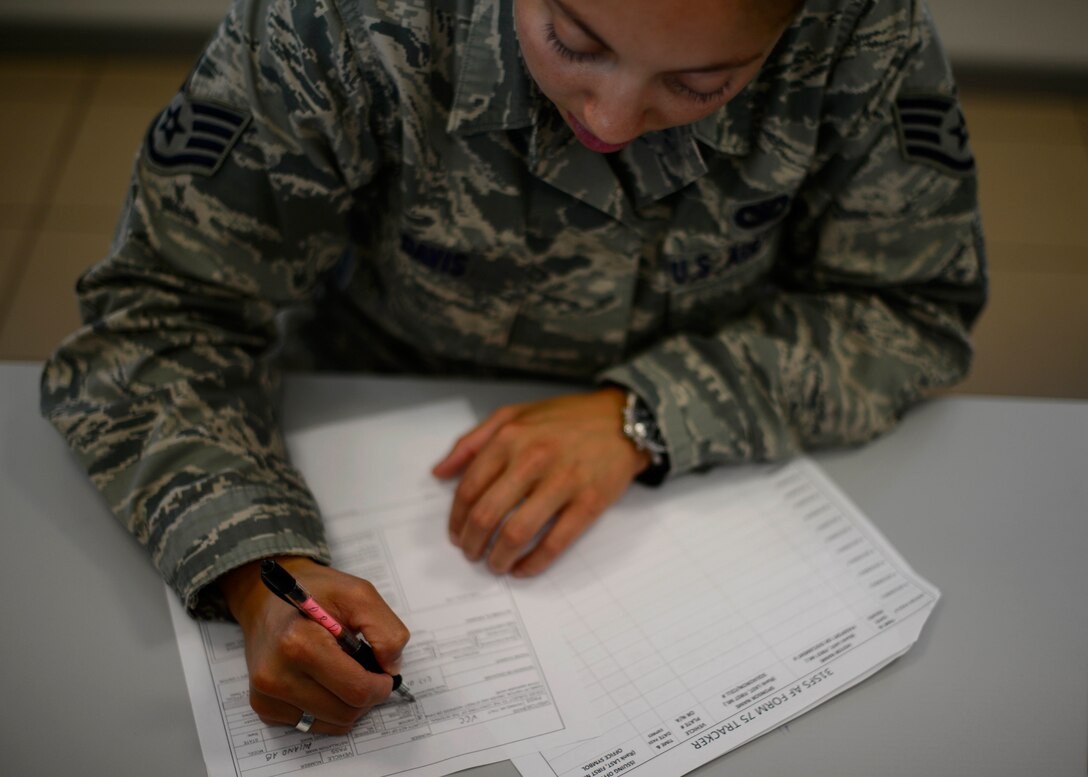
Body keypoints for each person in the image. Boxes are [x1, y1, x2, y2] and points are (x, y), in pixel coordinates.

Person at [40, 0, 986, 737]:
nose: (613, 118)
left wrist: (645, 412)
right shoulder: (344, 22)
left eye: (701, 81)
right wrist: (256, 565)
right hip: (367, 393)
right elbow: (159, 320)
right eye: (572, 41)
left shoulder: (863, 30)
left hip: (724, 468)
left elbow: (907, 309)